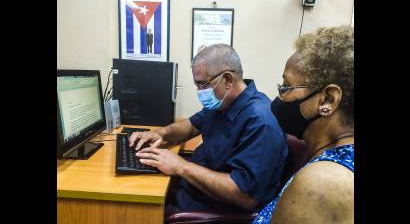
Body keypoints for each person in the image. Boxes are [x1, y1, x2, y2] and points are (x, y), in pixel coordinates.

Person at [129, 44, 288, 215]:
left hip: (210, 211)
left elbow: (245, 196)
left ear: (227, 79)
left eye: (202, 84)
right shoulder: (222, 105)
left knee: (136, 208)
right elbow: (191, 126)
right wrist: (159, 133)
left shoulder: (260, 122)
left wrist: (180, 166)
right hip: (192, 190)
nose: (200, 92)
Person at [253, 25, 354, 223]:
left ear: (327, 100)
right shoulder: (330, 159)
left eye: (287, 87)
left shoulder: (322, 183)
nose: (280, 97)